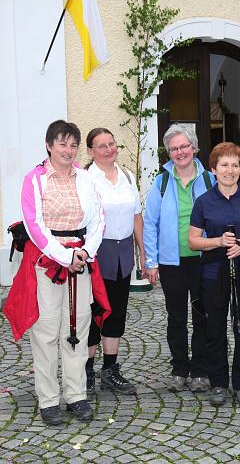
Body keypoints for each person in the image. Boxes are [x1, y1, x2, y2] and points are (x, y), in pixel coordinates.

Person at [4, 120, 109, 426]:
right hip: (48, 262)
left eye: (73, 144)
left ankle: (76, 395)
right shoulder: (34, 180)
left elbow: (98, 219)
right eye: (62, 143)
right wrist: (65, 256)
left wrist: (85, 252)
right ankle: (48, 399)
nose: (68, 150)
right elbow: (34, 225)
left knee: (76, 330)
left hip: (81, 261)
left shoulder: (85, 178)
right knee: (47, 329)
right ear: (49, 145)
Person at [189, 142, 240, 408]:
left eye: (234, 165)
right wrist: (218, 242)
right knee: (215, 330)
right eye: (224, 165)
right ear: (214, 169)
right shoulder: (203, 202)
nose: (230, 170)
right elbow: (193, 241)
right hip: (213, 272)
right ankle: (219, 383)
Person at [144, 124, 215, 393]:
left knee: (202, 316)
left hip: (203, 259)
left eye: (184, 146)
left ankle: (200, 369)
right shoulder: (161, 183)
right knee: (176, 316)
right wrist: (151, 261)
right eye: (174, 148)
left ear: (194, 148)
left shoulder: (210, 180)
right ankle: (179, 367)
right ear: (169, 153)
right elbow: (150, 223)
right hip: (171, 262)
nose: (179, 152)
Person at [84, 127, 145, 397]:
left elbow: (136, 216)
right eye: (101, 146)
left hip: (123, 254)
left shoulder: (127, 176)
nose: (109, 149)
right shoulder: (85, 179)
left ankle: (110, 369)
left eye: (111, 144)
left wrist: (142, 251)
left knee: (117, 311)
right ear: (90, 151)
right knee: (94, 313)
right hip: (97, 254)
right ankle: (85, 370)